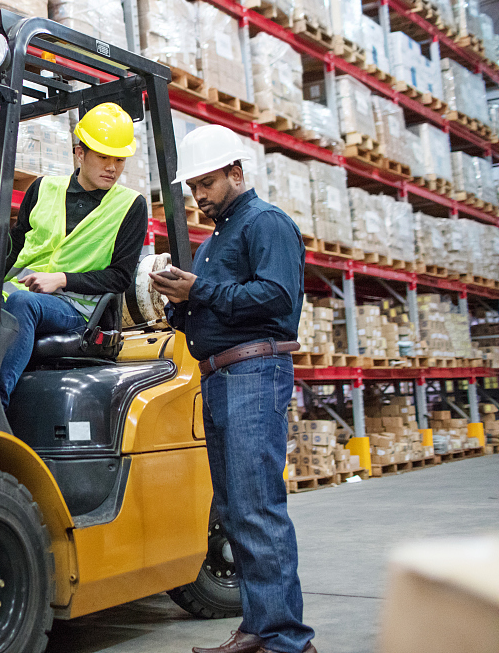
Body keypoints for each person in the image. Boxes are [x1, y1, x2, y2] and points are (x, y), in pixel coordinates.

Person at [147, 125, 315, 653]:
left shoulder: (266, 224)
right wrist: (176, 301)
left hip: (253, 374)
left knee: (258, 505)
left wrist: (201, 288)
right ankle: (260, 626)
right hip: (220, 377)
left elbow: (276, 296)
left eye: (207, 183)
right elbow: (215, 301)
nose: (198, 195)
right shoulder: (216, 239)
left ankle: (287, 639)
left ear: (236, 173)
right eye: (193, 186)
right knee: (234, 507)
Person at [0, 102, 148, 408]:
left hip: (77, 309)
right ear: (80, 153)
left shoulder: (131, 205)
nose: (112, 167)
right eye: (103, 156)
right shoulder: (42, 188)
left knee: (23, 304)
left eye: (119, 159)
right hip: (24, 292)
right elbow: (16, 244)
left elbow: (121, 277)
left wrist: (61, 279)